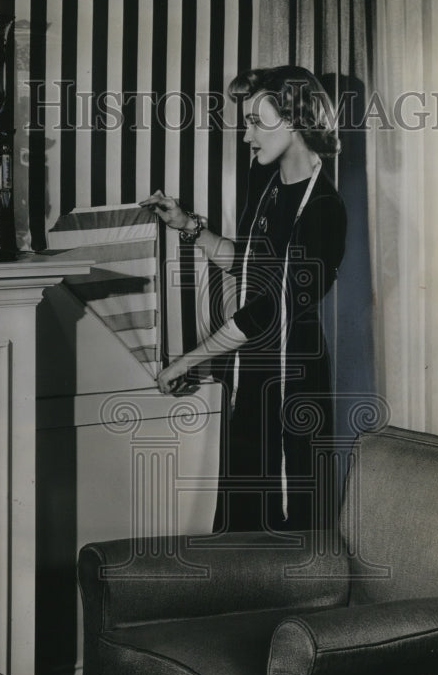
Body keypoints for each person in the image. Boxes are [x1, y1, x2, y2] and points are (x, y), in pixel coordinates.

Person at [140, 65, 347, 534]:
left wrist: (186, 361)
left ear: (294, 120)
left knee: (287, 523)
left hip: (292, 379)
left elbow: (269, 310)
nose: (247, 136)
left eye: (256, 121)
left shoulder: (324, 209)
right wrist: (186, 225)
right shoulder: (267, 182)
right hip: (249, 371)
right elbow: (249, 263)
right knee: (242, 516)